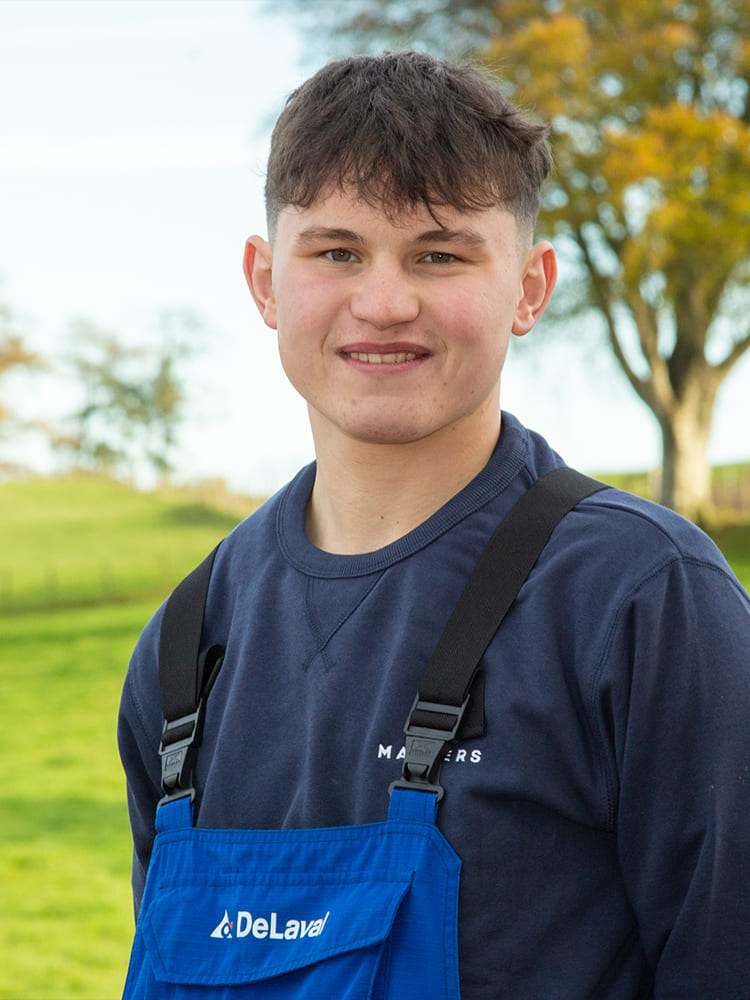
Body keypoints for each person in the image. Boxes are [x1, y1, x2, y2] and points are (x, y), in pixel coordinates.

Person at [118, 51, 750, 998]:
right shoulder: (186, 646)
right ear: (265, 281)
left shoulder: (642, 601)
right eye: (337, 252)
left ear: (530, 288)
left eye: (440, 254)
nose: (385, 303)